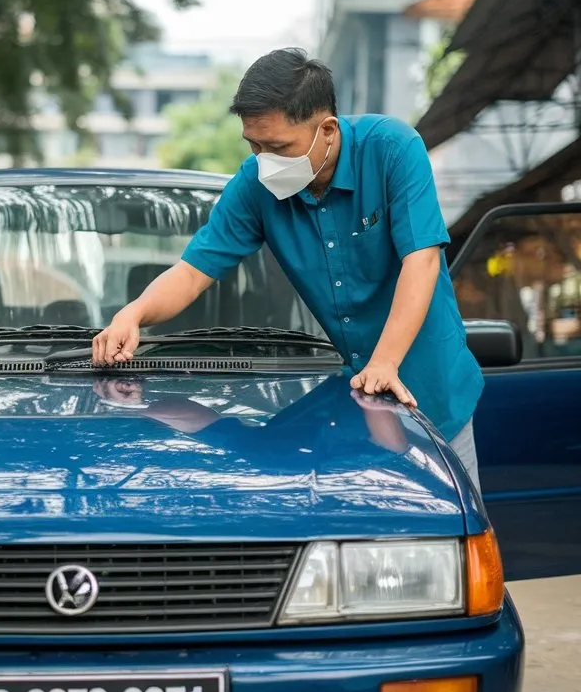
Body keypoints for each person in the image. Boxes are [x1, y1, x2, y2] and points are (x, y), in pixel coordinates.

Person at [92, 47, 484, 489]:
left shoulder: (394, 149)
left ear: (328, 130)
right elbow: (192, 271)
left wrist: (385, 363)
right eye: (254, 146)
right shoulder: (255, 184)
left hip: (436, 404)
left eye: (277, 147)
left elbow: (422, 259)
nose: (264, 161)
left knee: (452, 540)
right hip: (344, 409)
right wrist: (134, 315)